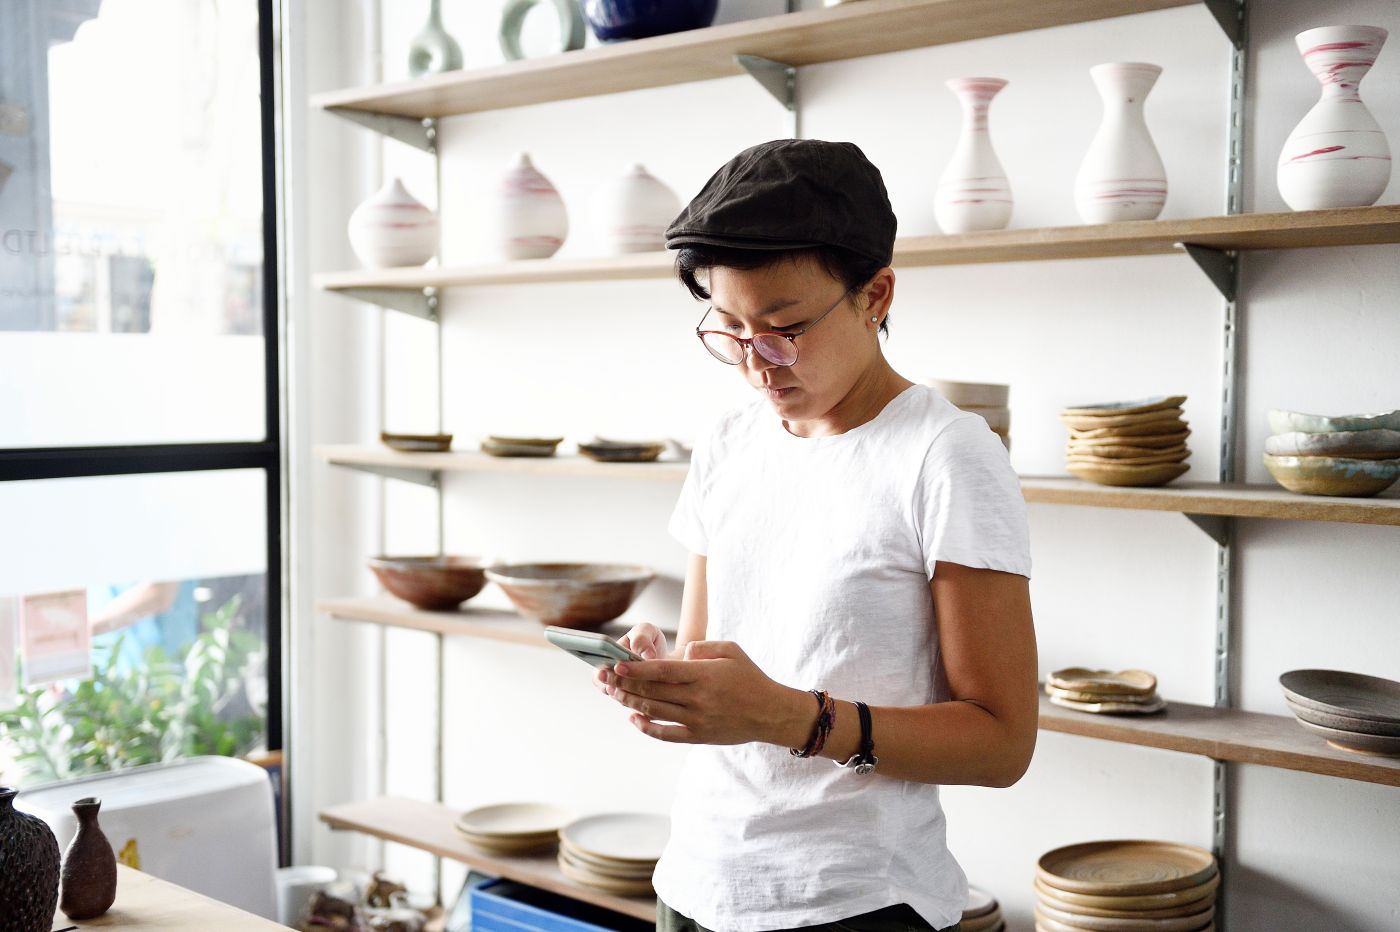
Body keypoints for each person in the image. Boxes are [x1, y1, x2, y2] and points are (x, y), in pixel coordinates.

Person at [594, 139, 1038, 932]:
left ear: (876, 295)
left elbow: (1001, 743)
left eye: (784, 327)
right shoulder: (730, 442)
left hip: (852, 902)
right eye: (729, 330)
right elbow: (710, 655)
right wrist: (666, 677)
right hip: (695, 884)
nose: (757, 364)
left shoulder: (947, 454)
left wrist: (784, 716)